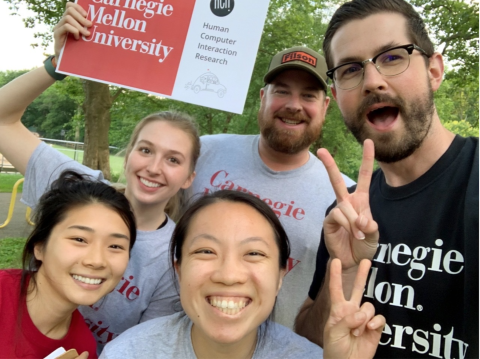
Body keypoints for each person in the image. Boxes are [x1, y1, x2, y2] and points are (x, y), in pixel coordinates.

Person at [0, 3, 200, 351]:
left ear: (188, 177)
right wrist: (58, 64)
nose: (154, 168)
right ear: (129, 153)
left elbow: (147, 345)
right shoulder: (76, 187)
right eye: (146, 150)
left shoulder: (174, 258)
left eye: (173, 159)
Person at [295, 0, 479, 358]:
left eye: (393, 57)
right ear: (336, 95)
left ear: (434, 70)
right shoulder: (345, 211)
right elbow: (308, 339)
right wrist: (345, 272)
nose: (372, 81)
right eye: (350, 69)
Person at [99, 190, 385, 359]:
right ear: (179, 269)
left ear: (281, 276)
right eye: (206, 251)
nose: (229, 275)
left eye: (254, 254)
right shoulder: (128, 353)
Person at [191, 46, 355, 329]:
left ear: (325, 106)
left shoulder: (345, 199)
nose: (294, 105)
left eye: (308, 95)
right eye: (281, 91)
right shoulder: (204, 152)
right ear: (262, 97)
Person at [0, 170, 136, 359]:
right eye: (79, 239)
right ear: (39, 246)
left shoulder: (82, 349)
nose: (97, 261)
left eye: (115, 246)